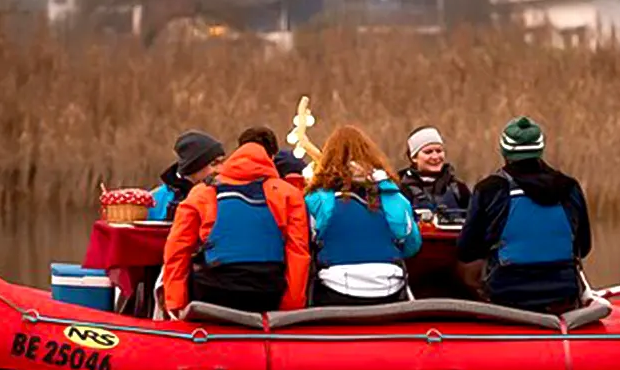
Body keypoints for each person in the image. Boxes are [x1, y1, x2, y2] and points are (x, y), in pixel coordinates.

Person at [456, 116, 591, 314]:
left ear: (505, 151)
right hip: (563, 293)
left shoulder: (489, 189)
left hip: (507, 294)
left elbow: (465, 251)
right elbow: (584, 247)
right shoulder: (570, 187)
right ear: (540, 149)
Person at [161, 136, 310, 315]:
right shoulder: (289, 194)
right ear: (269, 161)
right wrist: (291, 307)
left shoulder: (201, 193)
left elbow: (177, 251)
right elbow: (298, 253)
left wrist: (175, 304)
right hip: (269, 292)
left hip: (214, 292)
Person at [304, 125, 422, 306]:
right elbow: (412, 244)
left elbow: (305, 243)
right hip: (389, 289)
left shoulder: (317, 199)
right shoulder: (392, 195)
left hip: (335, 288)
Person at [149, 130, 226, 221]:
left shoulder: (226, 194)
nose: (221, 169)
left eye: (222, 162)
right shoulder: (155, 200)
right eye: (214, 164)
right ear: (194, 167)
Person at [397, 125, 471, 216]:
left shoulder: (459, 188)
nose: (435, 157)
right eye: (428, 152)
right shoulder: (399, 189)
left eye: (439, 151)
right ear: (414, 158)